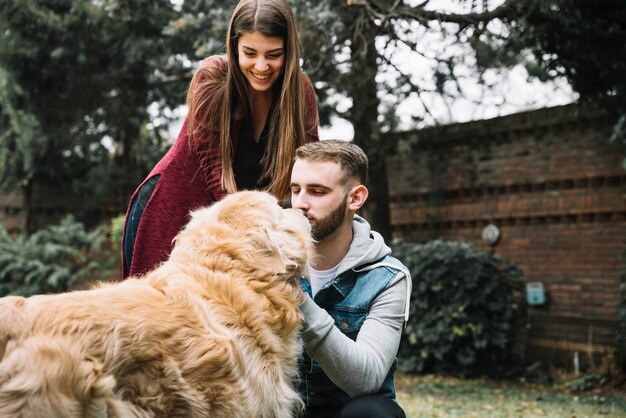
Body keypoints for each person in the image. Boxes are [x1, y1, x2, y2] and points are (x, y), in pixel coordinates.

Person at [122, 0, 319, 278]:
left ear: (289, 52)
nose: (261, 66)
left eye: (273, 54)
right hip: (172, 212)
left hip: (240, 228)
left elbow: (308, 170)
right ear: (234, 47)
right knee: (158, 315)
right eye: (250, 53)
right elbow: (215, 175)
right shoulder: (213, 76)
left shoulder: (301, 92)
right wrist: (260, 234)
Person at [290, 140, 411, 418]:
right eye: (296, 190)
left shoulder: (387, 278)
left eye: (317, 192)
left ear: (355, 198)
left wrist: (294, 296)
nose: (300, 204)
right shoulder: (267, 261)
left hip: (349, 410)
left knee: (370, 412)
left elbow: (365, 380)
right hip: (284, 408)